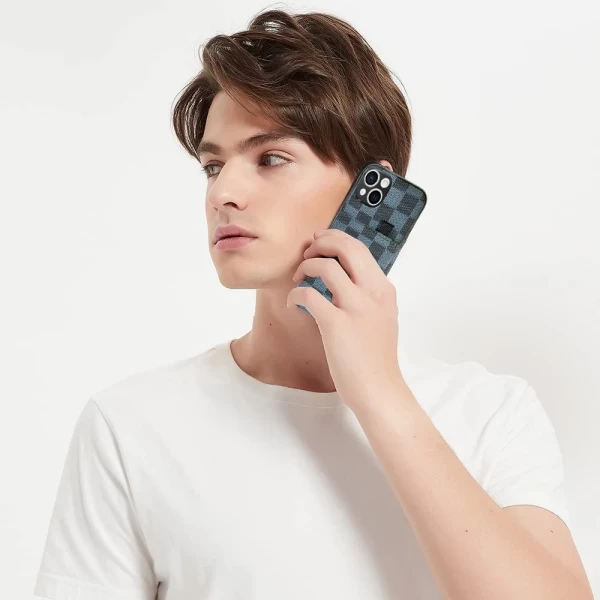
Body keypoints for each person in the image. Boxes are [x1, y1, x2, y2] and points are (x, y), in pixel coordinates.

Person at [33, 8, 593, 600]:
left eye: (271, 158)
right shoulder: (130, 426)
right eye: (213, 166)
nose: (223, 193)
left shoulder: (490, 413)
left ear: (373, 190)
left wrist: (378, 393)